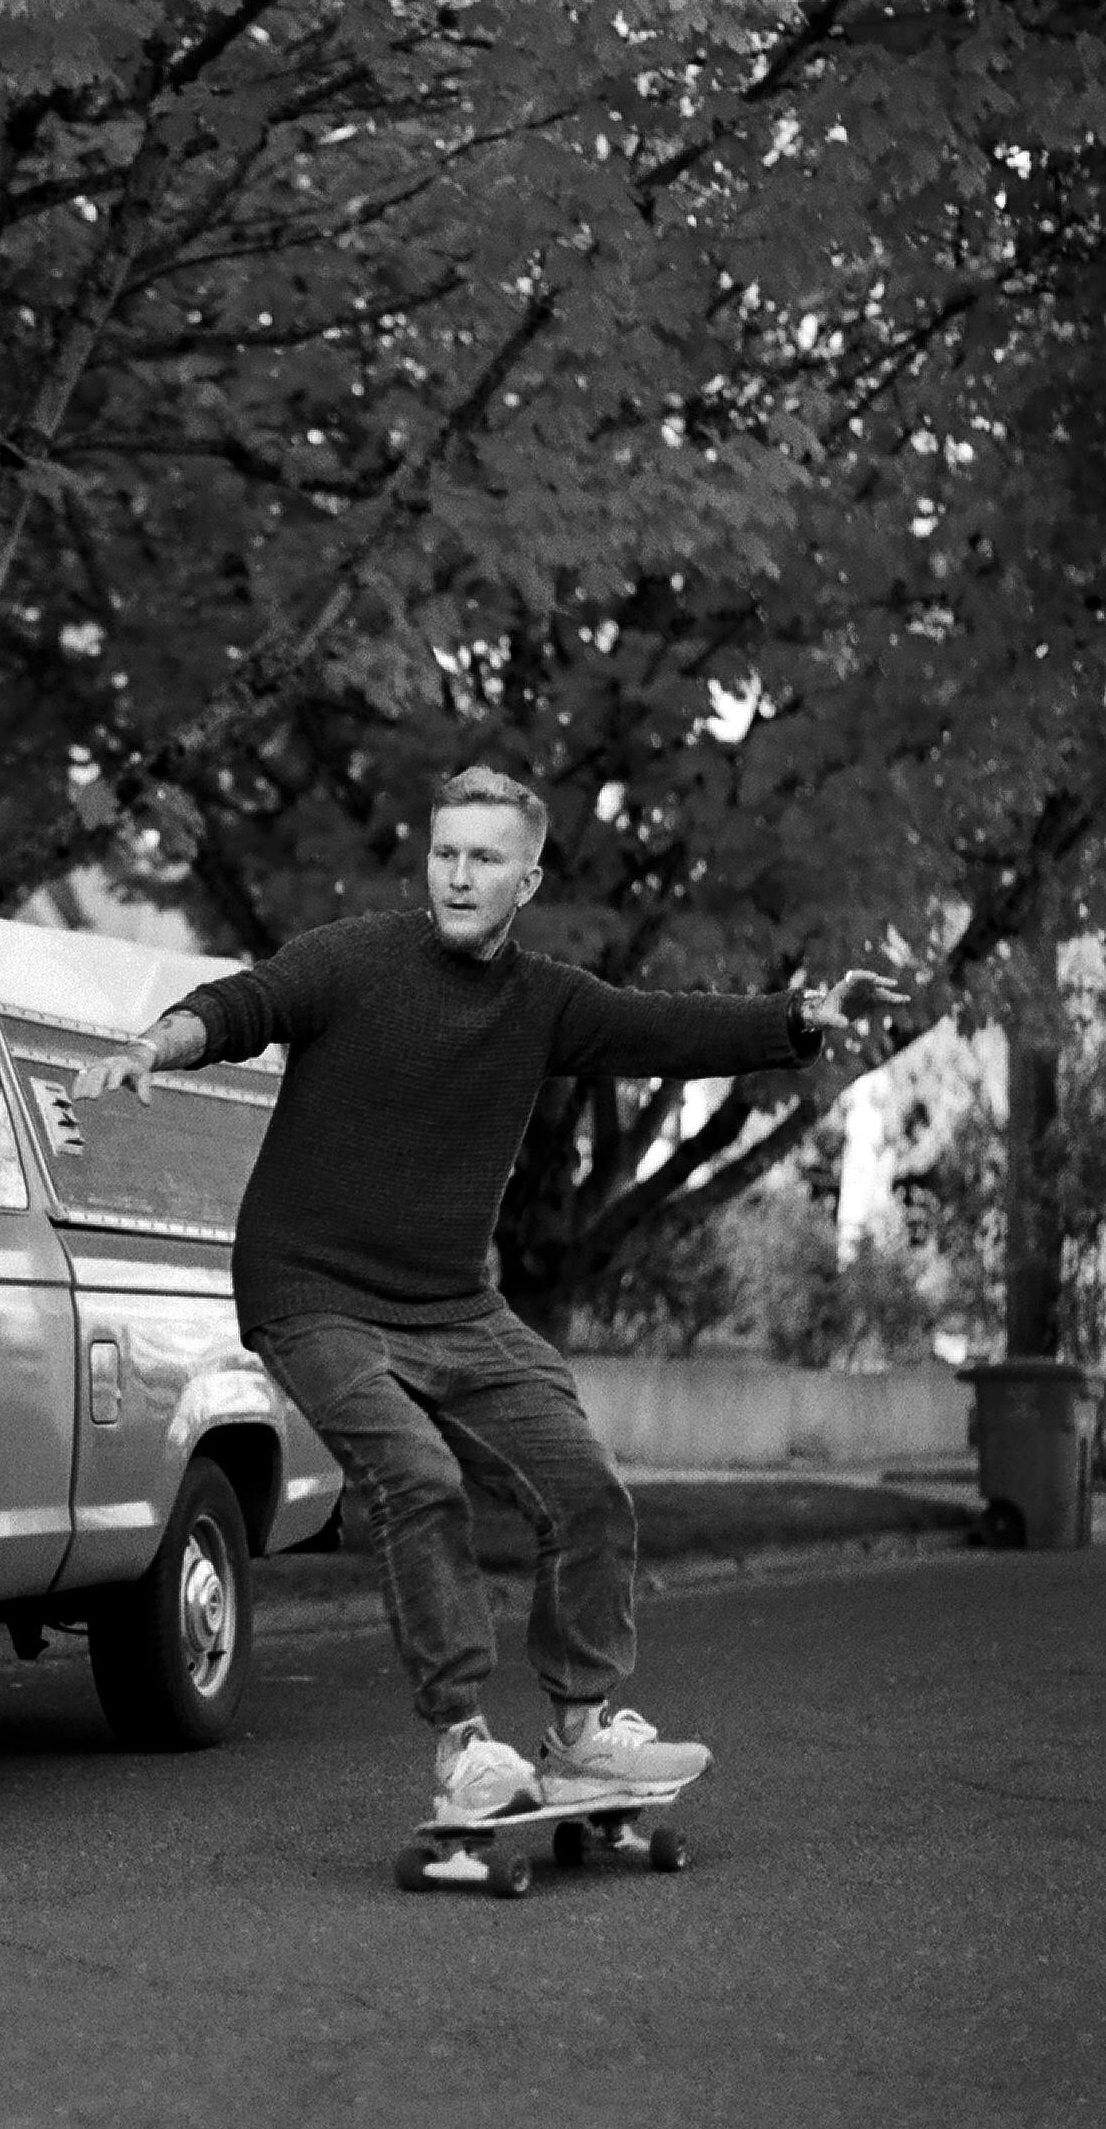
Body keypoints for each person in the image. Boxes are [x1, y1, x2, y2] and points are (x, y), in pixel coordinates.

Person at [71, 767, 902, 1827]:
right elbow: (243, 1003)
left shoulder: (544, 1003)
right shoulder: (354, 959)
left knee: (587, 1484)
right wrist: (156, 1043)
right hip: (310, 1291)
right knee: (418, 1477)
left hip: (453, 1306)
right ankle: (463, 1745)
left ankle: (581, 1731)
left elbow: (662, 1028)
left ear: (527, 878)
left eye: (483, 859)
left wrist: (801, 1015)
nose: (458, 877)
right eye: (444, 853)